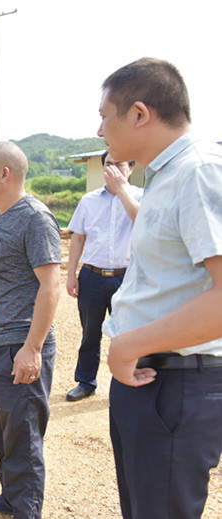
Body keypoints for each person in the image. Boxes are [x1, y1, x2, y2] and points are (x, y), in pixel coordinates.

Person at [99, 57, 222, 519]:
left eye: (105, 116)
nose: (99, 131)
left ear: (139, 113)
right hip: (153, 378)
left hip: (176, 381)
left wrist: (128, 344)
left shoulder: (198, 171)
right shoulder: (164, 176)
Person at [0, 141, 61, 518]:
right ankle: (11, 497)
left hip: (19, 346)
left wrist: (33, 348)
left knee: (23, 439)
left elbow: (50, 286)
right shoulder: (2, 216)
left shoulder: (34, 218)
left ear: (3, 174)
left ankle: (26, 509)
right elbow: (4, 281)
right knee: (5, 434)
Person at [65, 151, 142, 401]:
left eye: (119, 164)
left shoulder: (141, 196)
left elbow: (142, 221)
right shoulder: (89, 200)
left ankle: (129, 380)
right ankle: (86, 381)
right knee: (90, 333)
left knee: (127, 333)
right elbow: (78, 237)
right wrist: (71, 274)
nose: (113, 169)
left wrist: (122, 191)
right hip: (92, 276)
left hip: (127, 277)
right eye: (108, 164)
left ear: (130, 168)